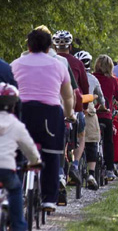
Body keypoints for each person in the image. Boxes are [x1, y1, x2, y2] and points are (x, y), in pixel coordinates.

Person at [11, 29, 74, 211]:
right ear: (49, 48)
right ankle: (48, 199)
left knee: (16, 152)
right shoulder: (59, 66)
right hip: (50, 114)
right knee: (52, 155)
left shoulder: (15, 64)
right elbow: (68, 97)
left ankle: (13, 191)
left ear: (28, 46)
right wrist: (69, 114)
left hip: (22, 112)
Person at [0, 83, 41, 231]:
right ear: (14, 105)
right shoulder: (16, 124)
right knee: (16, 190)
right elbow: (29, 147)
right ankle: (18, 226)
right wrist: (36, 161)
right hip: (7, 169)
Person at [53, 30, 89, 184]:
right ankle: (75, 164)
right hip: (74, 107)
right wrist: (85, 107)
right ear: (70, 46)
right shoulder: (76, 63)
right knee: (81, 136)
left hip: (52, 107)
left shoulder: (50, 61)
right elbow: (84, 88)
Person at [74, 51, 105, 190]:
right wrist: (103, 106)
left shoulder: (71, 76)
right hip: (88, 110)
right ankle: (91, 174)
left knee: (72, 141)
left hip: (72, 109)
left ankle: (71, 170)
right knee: (92, 141)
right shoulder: (92, 79)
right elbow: (101, 97)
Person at [93, 55, 118, 181]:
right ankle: (109, 170)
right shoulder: (113, 80)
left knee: (90, 141)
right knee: (108, 142)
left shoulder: (92, 78)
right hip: (106, 115)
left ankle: (89, 169)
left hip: (92, 114)